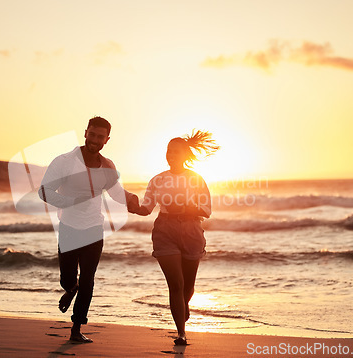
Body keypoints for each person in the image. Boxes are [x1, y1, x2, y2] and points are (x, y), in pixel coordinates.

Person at [38, 117, 138, 343]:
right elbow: (44, 191)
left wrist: (135, 203)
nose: (95, 140)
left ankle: (76, 328)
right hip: (69, 227)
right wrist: (70, 201)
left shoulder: (108, 166)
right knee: (67, 278)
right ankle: (69, 288)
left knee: (88, 279)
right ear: (85, 133)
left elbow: (116, 193)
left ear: (107, 139)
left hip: (94, 228)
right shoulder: (64, 161)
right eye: (92, 135)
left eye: (100, 137)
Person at [128, 130, 219, 346]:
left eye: (176, 152)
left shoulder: (196, 179)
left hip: (191, 229)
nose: (171, 155)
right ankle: (181, 333)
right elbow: (147, 208)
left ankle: (183, 305)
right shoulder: (157, 180)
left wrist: (189, 207)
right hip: (165, 230)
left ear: (185, 155)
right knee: (176, 285)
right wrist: (133, 206)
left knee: (188, 286)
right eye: (169, 151)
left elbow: (207, 210)